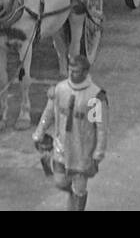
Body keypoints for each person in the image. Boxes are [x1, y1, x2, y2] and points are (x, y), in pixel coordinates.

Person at [32, 53, 107, 211]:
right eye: (70, 70)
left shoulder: (95, 96)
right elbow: (48, 113)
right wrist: (39, 134)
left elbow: (101, 128)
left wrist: (98, 153)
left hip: (83, 150)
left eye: (76, 71)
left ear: (85, 72)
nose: (71, 74)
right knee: (59, 181)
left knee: (79, 188)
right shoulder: (60, 89)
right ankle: (72, 193)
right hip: (62, 147)